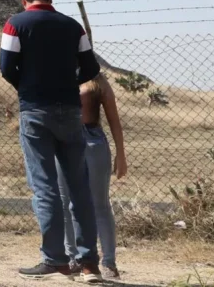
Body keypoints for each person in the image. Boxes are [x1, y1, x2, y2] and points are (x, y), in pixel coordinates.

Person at [0, 0, 103, 283]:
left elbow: (6, 66)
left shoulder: (15, 24)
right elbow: (91, 68)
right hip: (70, 111)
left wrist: (28, 87)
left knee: (44, 187)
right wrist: (70, 83)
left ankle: (55, 259)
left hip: (35, 111)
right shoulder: (73, 27)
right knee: (79, 187)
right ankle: (88, 264)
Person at [58, 73, 128, 279]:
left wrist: (121, 155)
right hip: (65, 139)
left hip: (93, 141)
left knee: (99, 204)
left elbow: (114, 120)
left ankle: (109, 263)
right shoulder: (58, 70)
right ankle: (74, 258)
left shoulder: (97, 80)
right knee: (66, 202)